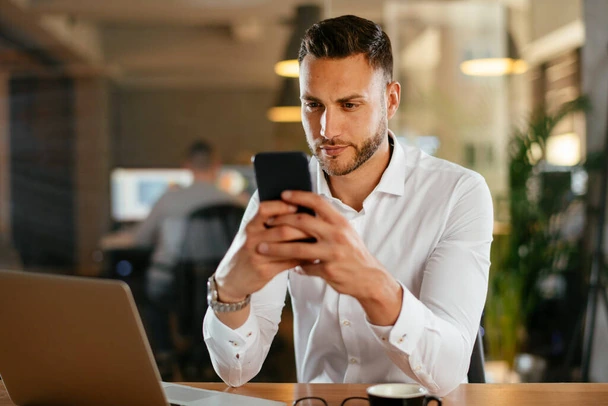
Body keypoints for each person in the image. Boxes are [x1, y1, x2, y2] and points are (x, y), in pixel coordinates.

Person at [203, 15, 493, 396]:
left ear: (390, 100)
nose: (327, 129)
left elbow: (448, 372)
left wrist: (372, 285)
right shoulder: (278, 202)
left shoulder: (458, 193)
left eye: (349, 105)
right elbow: (236, 371)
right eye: (313, 105)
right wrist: (228, 291)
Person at [133, 140, 243, 373]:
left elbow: (141, 239)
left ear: (186, 165)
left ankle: (165, 354)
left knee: (147, 295)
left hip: (172, 284)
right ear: (218, 165)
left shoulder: (169, 199)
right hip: (222, 289)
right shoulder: (236, 202)